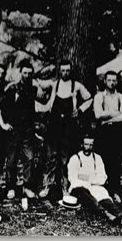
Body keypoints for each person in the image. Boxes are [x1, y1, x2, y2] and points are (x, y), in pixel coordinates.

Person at [39, 60, 92, 199]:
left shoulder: (76, 86)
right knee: (51, 157)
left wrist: (80, 110)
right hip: (54, 125)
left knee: (65, 159)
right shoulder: (54, 84)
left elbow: (89, 98)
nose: (65, 73)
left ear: (71, 71)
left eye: (67, 70)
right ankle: (47, 186)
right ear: (59, 71)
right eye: (63, 70)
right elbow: (38, 84)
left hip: (69, 127)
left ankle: (65, 187)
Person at [0, 61, 40, 200]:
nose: (27, 75)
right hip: (13, 131)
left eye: (29, 73)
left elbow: (41, 106)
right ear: (20, 73)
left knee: (30, 158)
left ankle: (27, 187)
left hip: (28, 131)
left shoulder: (33, 90)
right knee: (11, 160)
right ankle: (10, 187)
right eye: (25, 73)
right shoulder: (12, 88)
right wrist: (3, 124)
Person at [68, 134, 122, 223]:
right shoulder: (75, 158)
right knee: (88, 196)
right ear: (81, 145)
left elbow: (102, 178)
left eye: (91, 145)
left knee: (104, 197)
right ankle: (106, 214)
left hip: (94, 187)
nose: (88, 148)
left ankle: (121, 215)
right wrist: (90, 181)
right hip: (79, 189)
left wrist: (85, 178)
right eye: (86, 144)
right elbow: (73, 178)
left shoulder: (97, 158)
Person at [93, 70, 122, 201]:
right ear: (104, 81)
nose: (112, 83)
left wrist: (107, 118)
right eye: (109, 80)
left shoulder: (121, 98)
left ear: (117, 82)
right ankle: (102, 193)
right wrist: (115, 113)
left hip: (117, 134)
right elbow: (97, 115)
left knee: (116, 163)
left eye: (114, 80)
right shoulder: (99, 97)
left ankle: (115, 192)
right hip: (103, 134)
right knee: (101, 162)